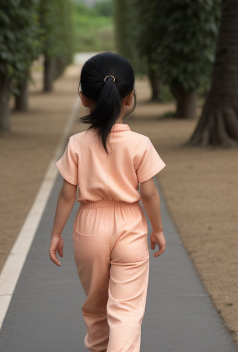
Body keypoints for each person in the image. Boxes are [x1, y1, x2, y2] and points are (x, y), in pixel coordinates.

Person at [49, 51, 166, 352]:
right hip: (129, 224)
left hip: (89, 226)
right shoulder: (140, 144)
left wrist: (56, 233)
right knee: (126, 310)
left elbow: (67, 193)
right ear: (129, 98)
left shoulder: (77, 144)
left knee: (96, 305)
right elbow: (150, 193)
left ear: (83, 98)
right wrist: (158, 229)